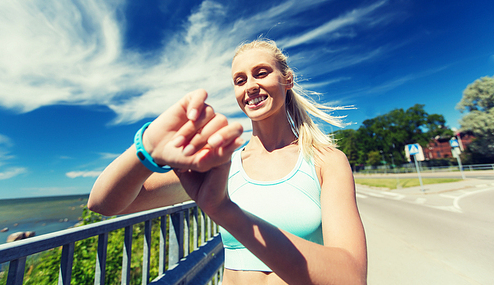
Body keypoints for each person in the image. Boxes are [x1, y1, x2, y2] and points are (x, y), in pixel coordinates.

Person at [88, 39, 367, 285]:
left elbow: (350, 278)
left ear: (287, 79)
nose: (251, 86)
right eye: (240, 80)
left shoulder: (325, 161)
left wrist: (224, 210)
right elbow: (104, 204)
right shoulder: (222, 165)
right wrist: (146, 148)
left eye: (261, 73)